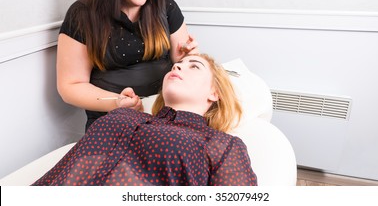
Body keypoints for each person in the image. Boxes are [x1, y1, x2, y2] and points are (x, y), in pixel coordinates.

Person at [32, 54, 258, 186]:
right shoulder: (124, 116)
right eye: (177, 64)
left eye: (194, 66)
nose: (177, 66)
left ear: (214, 93)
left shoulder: (222, 145)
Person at [57, 0, 198, 131]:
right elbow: (70, 86)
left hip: (164, 120)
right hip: (112, 123)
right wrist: (117, 103)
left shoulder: (167, 8)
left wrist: (190, 57)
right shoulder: (82, 15)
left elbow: (183, 65)